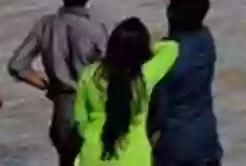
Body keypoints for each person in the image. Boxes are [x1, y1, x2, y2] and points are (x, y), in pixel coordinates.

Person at [7, 0, 109, 166]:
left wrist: (47, 85)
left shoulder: (46, 25)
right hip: (92, 108)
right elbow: (111, 70)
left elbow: (18, 65)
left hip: (62, 109)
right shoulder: (97, 28)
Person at [73, 17, 179, 166]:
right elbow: (171, 48)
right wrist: (148, 49)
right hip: (134, 158)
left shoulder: (90, 74)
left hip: (93, 156)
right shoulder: (144, 77)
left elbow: (80, 119)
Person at [150, 0, 222, 166]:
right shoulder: (206, 42)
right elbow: (182, 28)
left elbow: (156, 108)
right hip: (206, 142)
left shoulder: (165, 57)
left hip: (174, 148)